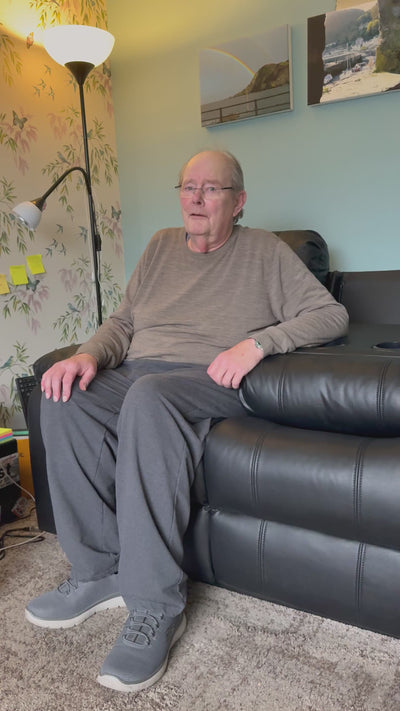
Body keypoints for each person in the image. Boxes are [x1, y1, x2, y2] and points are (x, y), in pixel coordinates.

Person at [25, 150, 348, 693]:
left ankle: (155, 607)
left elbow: (332, 315)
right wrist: (86, 356)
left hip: (210, 377)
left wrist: (257, 344)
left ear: (238, 202)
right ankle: (99, 572)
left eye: (211, 189)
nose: (196, 198)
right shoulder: (159, 246)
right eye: (188, 187)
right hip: (139, 371)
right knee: (61, 395)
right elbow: (123, 323)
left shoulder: (264, 252)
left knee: (149, 397)